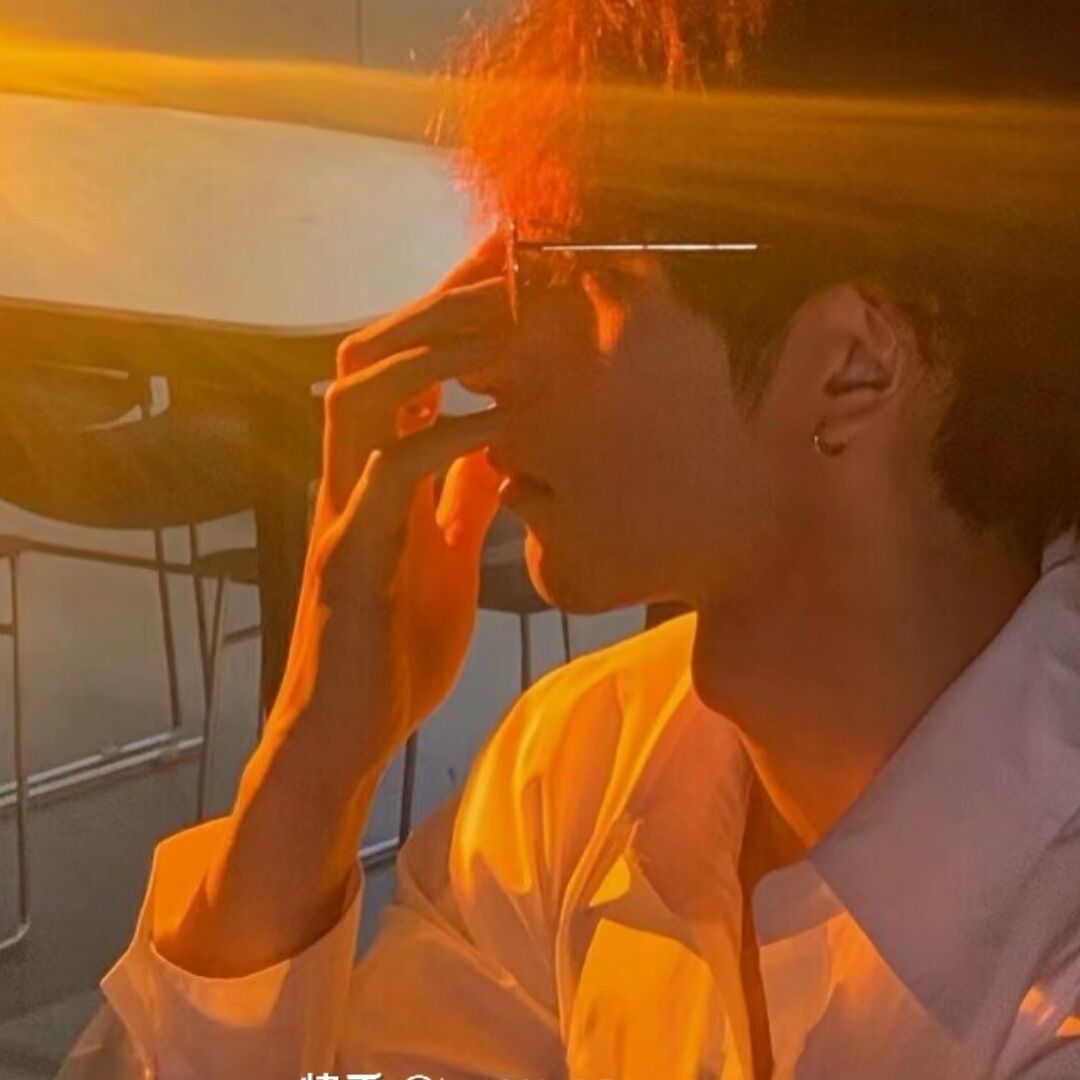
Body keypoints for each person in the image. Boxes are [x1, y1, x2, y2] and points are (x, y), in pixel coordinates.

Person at [88, 2, 1080, 1077]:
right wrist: (313, 763)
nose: (488, 360)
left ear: (852, 370)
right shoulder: (582, 770)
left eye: (588, 278)